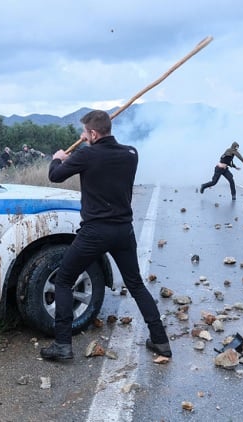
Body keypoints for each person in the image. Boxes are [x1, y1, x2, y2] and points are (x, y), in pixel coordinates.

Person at [41, 110, 171, 361]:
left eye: (86, 133)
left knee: (64, 280)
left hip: (95, 231)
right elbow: (105, 152)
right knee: (135, 284)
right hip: (124, 230)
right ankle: (160, 341)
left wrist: (58, 159)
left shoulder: (86, 154)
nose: (84, 137)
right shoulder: (131, 154)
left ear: (92, 133)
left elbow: (55, 176)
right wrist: (86, 145)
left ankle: (62, 345)